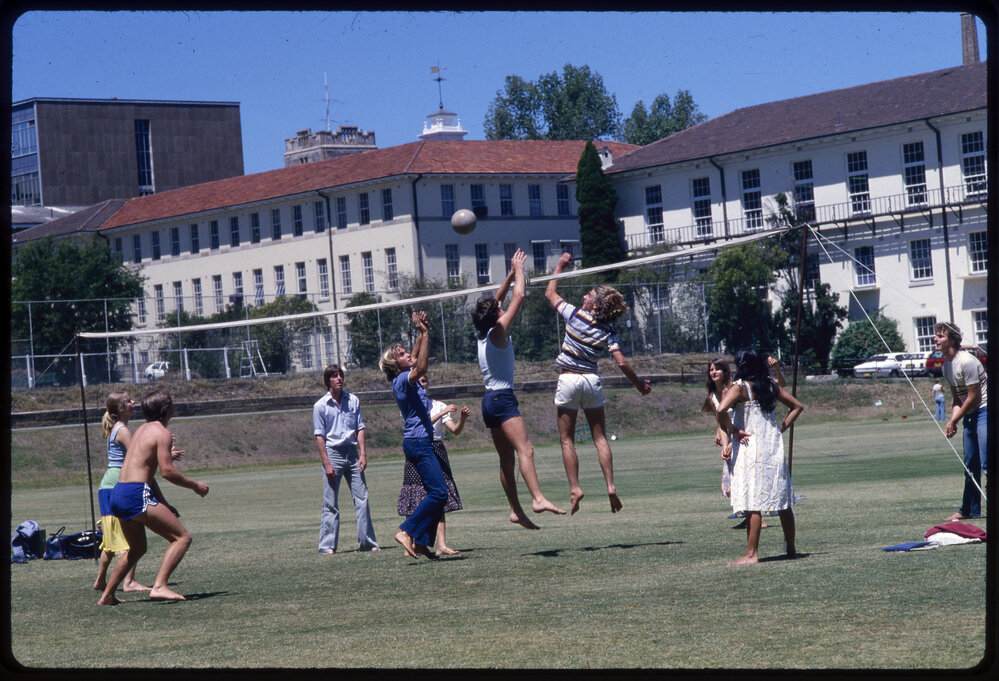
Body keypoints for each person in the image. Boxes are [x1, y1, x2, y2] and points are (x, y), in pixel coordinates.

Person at [545, 252, 651, 515]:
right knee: (600, 438)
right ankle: (611, 485)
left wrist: (560, 266)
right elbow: (623, 363)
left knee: (566, 440)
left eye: (589, 295)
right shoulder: (609, 332)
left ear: (595, 305)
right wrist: (638, 385)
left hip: (568, 379)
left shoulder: (575, 315)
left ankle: (575, 488)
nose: (584, 296)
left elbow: (550, 293)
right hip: (592, 381)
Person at [471, 249, 565, 528]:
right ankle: (537, 498)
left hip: (489, 401)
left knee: (506, 459)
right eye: (499, 308)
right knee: (526, 450)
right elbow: (519, 297)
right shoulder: (498, 330)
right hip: (502, 399)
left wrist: (510, 273)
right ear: (496, 316)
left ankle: (515, 510)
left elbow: (495, 301)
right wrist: (520, 272)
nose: (501, 306)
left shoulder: (482, 331)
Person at [98, 389, 209, 605]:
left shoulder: (140, 429)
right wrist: (195, 485)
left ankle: (107, 595)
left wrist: (165, 504)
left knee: (137, 548)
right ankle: (159, 586)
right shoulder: (161, 433)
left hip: (118, 493)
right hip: (135, 494)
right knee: (182, 537)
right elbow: (167, 472)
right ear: (167, 409)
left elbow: (148, 464)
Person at [715, 348, 804, 565]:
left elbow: (721, 410)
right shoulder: (770, 384)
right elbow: (797, 406)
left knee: (752, 500)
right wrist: (780, 427)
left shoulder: (740, 387)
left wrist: (735, 431)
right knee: (781, 496)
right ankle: (790, 547)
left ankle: (752, 554)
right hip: (772, 444)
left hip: (749, 445)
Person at [380, 311, 449, 559]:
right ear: (394, 364)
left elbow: (416, 357)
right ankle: (406, 530)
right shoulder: (402, 380)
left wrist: (421, 331)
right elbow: (421, 366)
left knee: (435, 493)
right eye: (401, 354)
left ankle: (421, 542)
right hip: (419, 442)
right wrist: (427, 333)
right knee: (440, 493)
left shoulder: (402, 377)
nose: (407, 353)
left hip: (418, 442)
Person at [397, 374, 468, 556]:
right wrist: (444, 413)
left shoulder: (437, 404)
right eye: (419, 381)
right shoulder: (411, 403)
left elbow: (455, 430)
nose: (423, 383)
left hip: (435, 447)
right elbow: (422, 423)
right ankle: (409, 535)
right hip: (420, 444)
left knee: (439, 495)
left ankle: (426, 543)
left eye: (425, 380)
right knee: (416, 494)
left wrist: (462, 419)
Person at [313, 364, 379, 555]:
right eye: (334, 376)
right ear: (328, 381)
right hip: (332, 453)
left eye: (340, 375)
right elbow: (319, 436)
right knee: (330, 502)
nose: (339, 379)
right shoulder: (320, 406)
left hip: (352, 453)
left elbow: (360, 428)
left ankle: (367, 542)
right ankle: (327, 546)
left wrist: (363, 454)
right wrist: (326, 463)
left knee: (362, 498)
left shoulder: (353, 401)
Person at [94, 391, 152, 593]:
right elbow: (137, 455)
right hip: (117, 486)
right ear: (119, 409)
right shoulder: (123, 430)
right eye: (128, 401)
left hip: (108, 486)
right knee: (130, 539)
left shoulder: (117, 428)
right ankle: (129, 581)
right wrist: (165, 453)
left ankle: (101, 580)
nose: (133, 403)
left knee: (110, 539)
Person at [935, 322, 988, 521]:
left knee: (986, 463)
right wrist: (953, 422)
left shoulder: (966, 361)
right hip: (970, 414)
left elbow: (973, 397)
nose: (935, 339)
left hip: (985, 410)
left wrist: (953, 420)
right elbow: (958, 399)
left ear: (952, 339)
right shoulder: (946, 366)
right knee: (969, 465)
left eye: (940, 336)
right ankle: (969, 510)